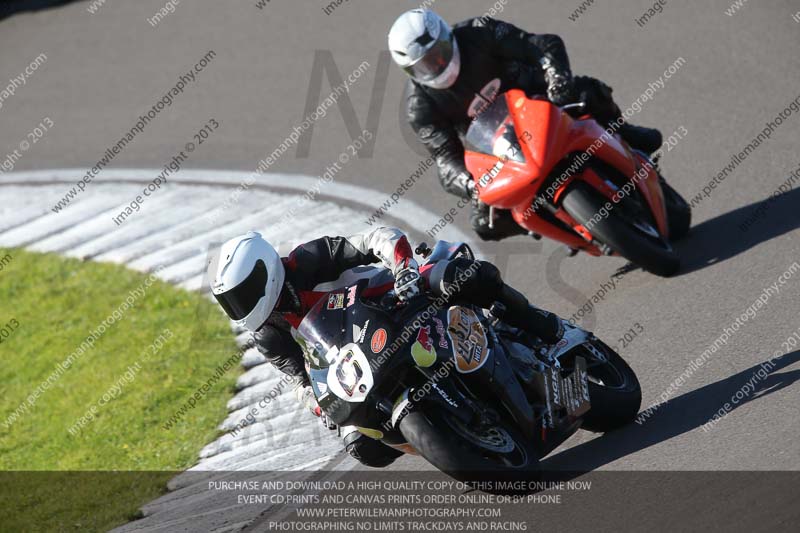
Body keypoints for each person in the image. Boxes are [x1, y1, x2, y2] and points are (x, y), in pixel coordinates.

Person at [207, 227, 564, 467]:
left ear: (263, 270)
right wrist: (317, 405)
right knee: (361, 445)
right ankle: (452, 437)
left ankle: (544, 327)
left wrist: (404, 268)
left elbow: (374, 239)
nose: (240, 308)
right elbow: (300, 381)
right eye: (231, 303)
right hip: (362, 362)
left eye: (242, 296)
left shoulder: (308, 260)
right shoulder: (269, 334)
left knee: (462, 276)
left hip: (399, 300)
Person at [389, 9, 664, 241]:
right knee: (485, 223)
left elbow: (542, 45)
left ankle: (623, 133)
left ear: (447, 37)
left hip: (537, 97)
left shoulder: (480, 32)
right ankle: (561, 224)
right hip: (496, 148)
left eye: (439, 53)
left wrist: (556, 78)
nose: (437, 65)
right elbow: (445, 160)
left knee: (589, 93)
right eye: (424, 65)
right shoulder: (420, 106)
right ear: (410, 71)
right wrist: (471, 184)